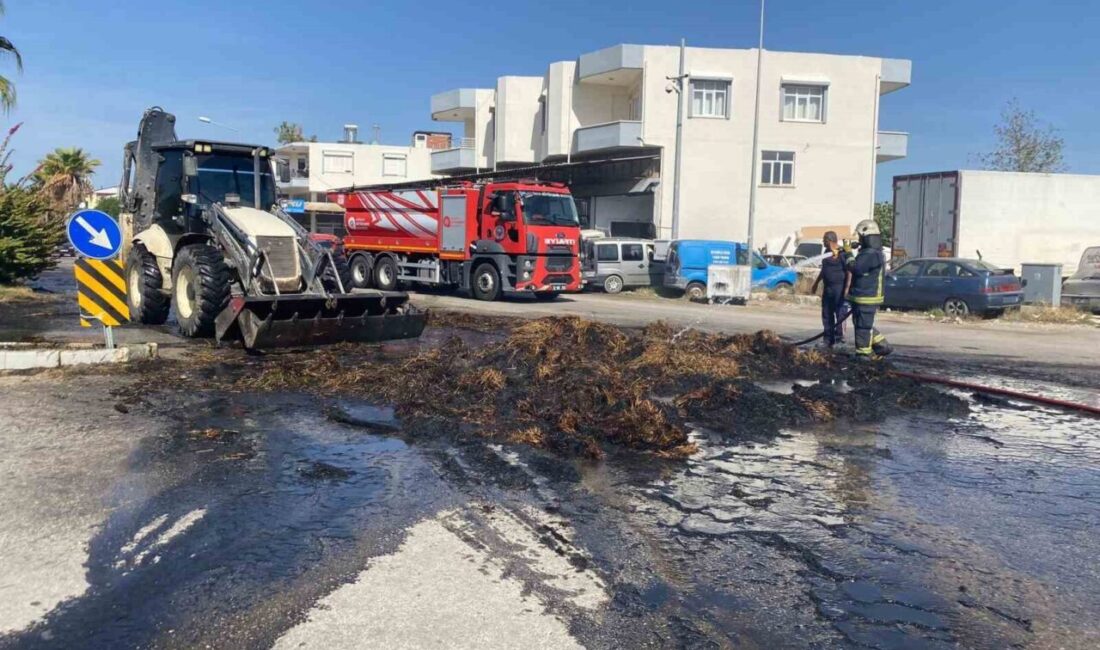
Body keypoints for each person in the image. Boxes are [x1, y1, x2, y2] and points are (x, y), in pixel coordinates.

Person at [844, 219, 893, 359]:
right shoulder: (869, 252)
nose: (859, 239)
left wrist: (848, 254)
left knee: (863, 327)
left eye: (860, 237)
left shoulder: (871, 254)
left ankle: (863, 356)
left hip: (867, 297)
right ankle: (882, 345)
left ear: (867, 236)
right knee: (863, 325)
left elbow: (856, 268)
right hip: (862, 296)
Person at [810, 231, 849, 347]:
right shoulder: (826, 253)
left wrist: (847, 288)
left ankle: (840, 339)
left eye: (824, 240)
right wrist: (816, 283)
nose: (823, 242)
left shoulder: (843, 253)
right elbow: (824, 270)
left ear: (831, 240)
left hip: (840, 288)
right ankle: (828, 339)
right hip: (828, 288)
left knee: (840, 314)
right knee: (827, 313)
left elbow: (849, 271)